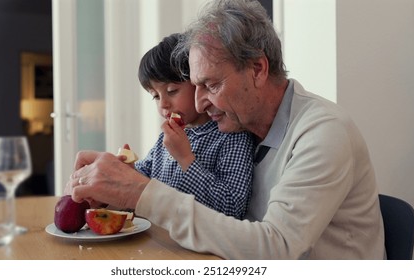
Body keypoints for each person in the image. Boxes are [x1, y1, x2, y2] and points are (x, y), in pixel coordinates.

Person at [66, 0, 385, 259]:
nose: (201, 103)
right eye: (195, 87)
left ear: (258, 69)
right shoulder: (241, 129)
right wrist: (116, 190)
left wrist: (139, 192)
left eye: (212, 85)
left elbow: (276, 248)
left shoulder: (323, 133)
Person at [133, 33, 255, 219]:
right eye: (156, 96)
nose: (163, 104)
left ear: (198, 82)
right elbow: (145, 173)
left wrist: (185, 159)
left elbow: (232, 208)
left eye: (172, 91)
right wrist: (125, 169)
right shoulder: (167, 138)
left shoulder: (232, 136)